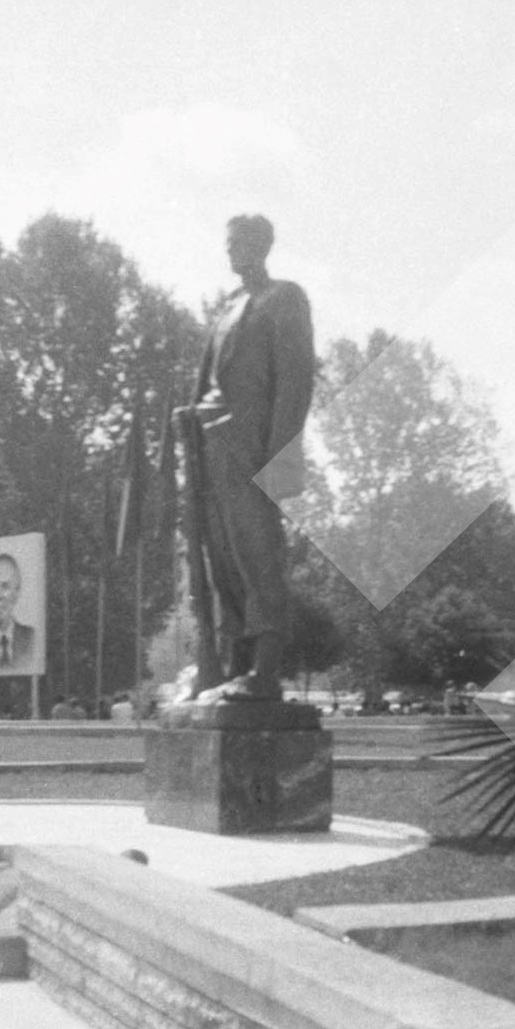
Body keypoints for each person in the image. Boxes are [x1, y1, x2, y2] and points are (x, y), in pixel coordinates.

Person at [192, 214, 314, 702]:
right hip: (210, 444)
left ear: (261, 245)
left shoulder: (284, 297)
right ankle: (234, 661)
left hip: (253, 446)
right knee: (221, 555)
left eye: (238, 242)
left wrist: (278, 461)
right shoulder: (228, 306)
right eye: (228, 242)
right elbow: (208, 379)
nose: (229, 250)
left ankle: (265, 667)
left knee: (257, 552)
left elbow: (295, 380)